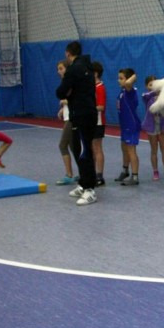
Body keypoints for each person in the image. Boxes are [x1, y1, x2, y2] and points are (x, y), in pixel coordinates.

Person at [56, 41, 98, 206]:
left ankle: (90, 189)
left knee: (83, 151)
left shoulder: (74, 69)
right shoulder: (87, 66)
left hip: (82, 114)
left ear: (68, 53)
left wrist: (67, 92)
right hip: (84, 113)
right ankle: (83, 183)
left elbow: (60, 92)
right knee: (77, 148)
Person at [142, 75, 164, 181]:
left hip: (162, 127)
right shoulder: (147, 97)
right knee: (154, 150)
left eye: (155, 84)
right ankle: (155, 171)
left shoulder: (163, 97)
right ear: (146, 86)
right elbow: (145, 96)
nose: (154, 87)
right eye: (151, 85)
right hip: (151, 127)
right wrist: (155, 91)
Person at [115, 68, 141, 186]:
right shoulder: (123, 91)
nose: (118, 80)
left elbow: (130, 82)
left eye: (121, 78)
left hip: (131, 125)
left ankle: (135, 176)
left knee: (131, 150)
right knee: (124, 148)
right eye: (118, 78)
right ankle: (125, 171)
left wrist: (133, 75)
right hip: (124, 125)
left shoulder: (130, 90)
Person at [55, 59, 77, 186]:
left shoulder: (71, 82)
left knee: (63, 145)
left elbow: (76, 98)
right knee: (73, 147)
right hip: (69, 116)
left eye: (61, 68)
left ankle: (69, 175)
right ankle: (83, 172)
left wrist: (65, 102)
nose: (59, 71)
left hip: (72, 118)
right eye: (58, 69)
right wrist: (62, 109)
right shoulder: (65, 82)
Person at [92, 61, 107, 187]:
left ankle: (99, 176)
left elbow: (101, 106)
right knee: (91, 148)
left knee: (97, 148)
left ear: (95, 73)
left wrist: (89, 107)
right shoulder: (91, 87)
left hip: (98, 121)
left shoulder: (100, 88)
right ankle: (91, 173)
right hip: (90, 121)